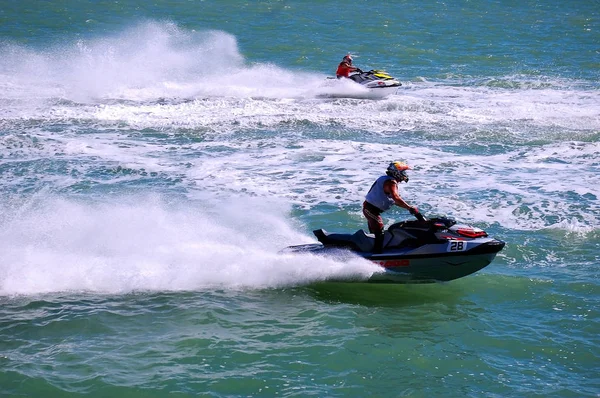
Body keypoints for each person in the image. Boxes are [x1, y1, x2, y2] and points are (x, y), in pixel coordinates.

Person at [363, 161, 420, 253]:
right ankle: (376, 254)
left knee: (375, 232)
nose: (404, 175)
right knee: (379, 230)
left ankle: (373, 249)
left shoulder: (387, 180)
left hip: (371, 209)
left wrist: (408, 208)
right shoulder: (391, 182)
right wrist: (409, 207)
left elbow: (394, 200)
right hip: (370, 209)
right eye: (403, 172)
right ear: (396, 173)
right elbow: (396, 198)